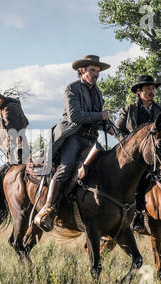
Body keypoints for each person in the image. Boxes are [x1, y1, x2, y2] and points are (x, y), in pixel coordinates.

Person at [34, 55, 112, 232]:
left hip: (91, 139)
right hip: (73, 136)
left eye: (98, 71)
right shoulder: (72, 89)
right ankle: (49, 208)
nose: (96, 74)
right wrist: (101, 116)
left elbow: (97, 117)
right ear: (82, 71)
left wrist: (107, 126)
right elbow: (75, 116)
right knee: (65, 168)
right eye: (92, 70)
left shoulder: (98, 92)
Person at [115, 74, 161, 232]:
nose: (152, 91)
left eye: (153, 88)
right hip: (136, 157)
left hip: (157, 155)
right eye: (148, 89)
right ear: (139, 91)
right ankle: (137, 216)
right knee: (140, 181)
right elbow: (117, 129)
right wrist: (130, 142)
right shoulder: (129, 110)